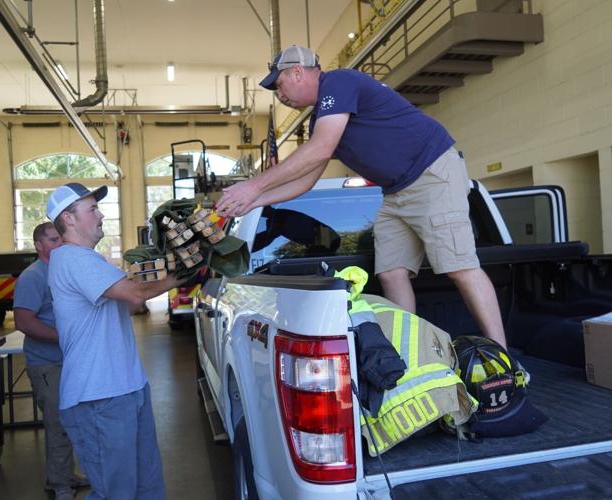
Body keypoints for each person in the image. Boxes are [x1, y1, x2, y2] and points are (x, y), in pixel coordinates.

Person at [216, 45, 509, 350]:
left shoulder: (340, 82)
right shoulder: (321, 120)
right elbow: (306, 182)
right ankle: (407, 352)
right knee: (391, 272)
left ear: (298, 72)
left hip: (432, 174)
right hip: (396, 192)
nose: (280, 95)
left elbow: (321, 148)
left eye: (279, 85)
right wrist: (256, 201)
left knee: (458, 266)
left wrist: (253, 185)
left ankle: (504, 357)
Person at [46, 182, 182, 500]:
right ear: (68, 218)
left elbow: (133, 303)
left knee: (148, 488)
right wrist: (180, 276)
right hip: (99, 397)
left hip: (127, 387)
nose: (100, 215)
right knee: (118, 492)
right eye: (92, 209)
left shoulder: (90, 261)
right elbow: (135, 294)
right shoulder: (72, 259)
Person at [13, 221, 87, 500]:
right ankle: (60, 486)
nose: (61, 245)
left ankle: (65, 475)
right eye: (54, 240)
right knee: (58, 423)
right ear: (39, 246)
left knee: (71, 421)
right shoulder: (33, 277)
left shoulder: (62, 271)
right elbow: (23, 321)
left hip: (68, 362)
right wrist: (62, 337)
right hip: (47, 364)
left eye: (62, 239)